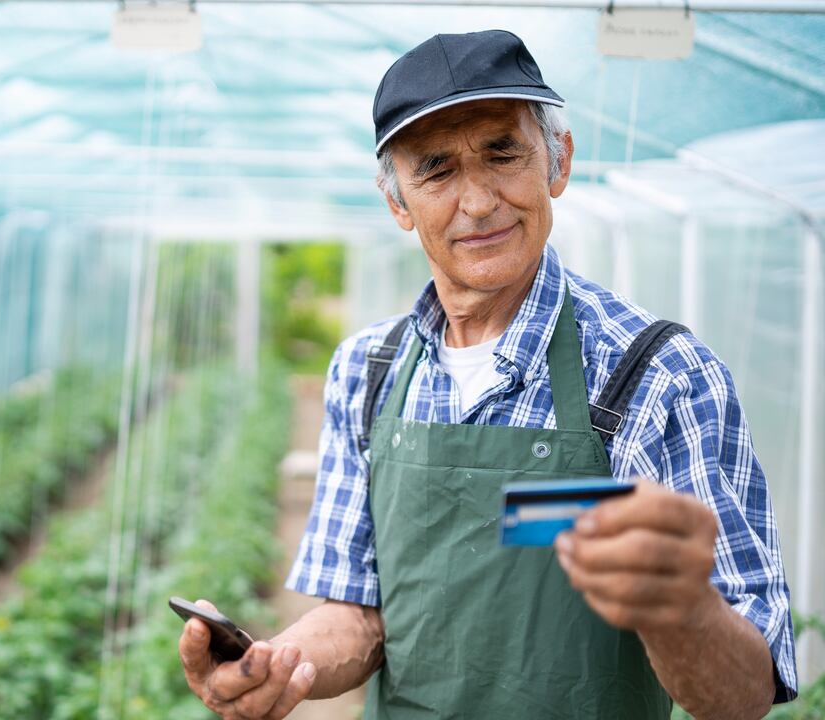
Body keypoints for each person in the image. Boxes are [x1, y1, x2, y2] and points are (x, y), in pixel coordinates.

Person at [177, 30, 797, 719]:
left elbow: (746, 694)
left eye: (503, 154)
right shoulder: (368, 371)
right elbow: (360, 615)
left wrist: (681, 609)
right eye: (436, 170)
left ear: (557, 161)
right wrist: (278, 664)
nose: (477, 202)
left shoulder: (657, 376)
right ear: (398, 203)